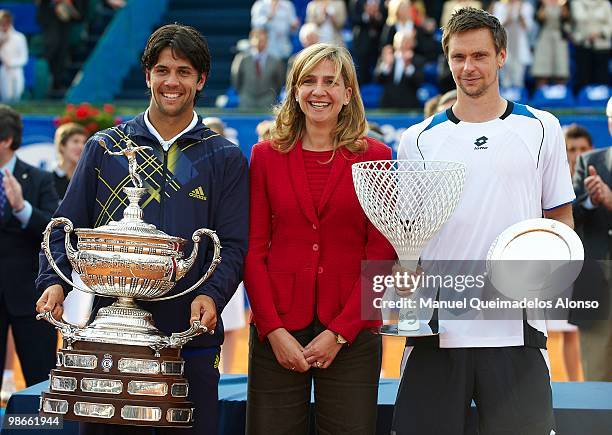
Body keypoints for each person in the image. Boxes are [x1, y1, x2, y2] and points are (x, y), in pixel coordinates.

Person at [35, 24, 249, 435]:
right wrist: (54, 282)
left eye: (184, 72)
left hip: (190, 336)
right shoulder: (106, 147)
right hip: (110, 335)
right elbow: (66, 224)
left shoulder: (224, 157)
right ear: (147, 74)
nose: (172, 82)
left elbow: (234, 244)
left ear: (201, 80)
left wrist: (210, 293)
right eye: (163, 70)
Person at [394, 8, 574, 435]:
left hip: (516, 326)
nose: (468, 67)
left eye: (479, 55)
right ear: (447, 59)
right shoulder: (418, 138)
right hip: (436, 326)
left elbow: (560, 216)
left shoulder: (542, 127)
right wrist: (405, 273)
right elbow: (407, 236)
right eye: (458, 57)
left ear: (501, 56)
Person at [244, 43, 395, 434]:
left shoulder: (377, 157)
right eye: (308, 81)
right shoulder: (264, 156)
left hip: (351, 330)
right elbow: (254, 250)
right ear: (295, 91)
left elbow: (381, 255)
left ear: (348, 94)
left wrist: (341, 331)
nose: (319, 91)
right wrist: (272, 330)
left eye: (331, 82)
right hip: (277, 329)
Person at [0, 105, 59, 395]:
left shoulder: (38, 179)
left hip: (31, 298)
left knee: (39, 384)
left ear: (7, 140)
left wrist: (22, 209)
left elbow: (55, 231)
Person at [569, 98, 612, 381]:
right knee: (596, 374)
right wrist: (589, 200)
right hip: (598, 281)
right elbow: (567, 216)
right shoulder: (590, 161)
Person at [231, 28, 285, 110]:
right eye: (257, 39)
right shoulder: (242, 59)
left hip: (268, 100)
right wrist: (243, 93)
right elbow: (236, 79)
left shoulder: (275, 61)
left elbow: (279, 81)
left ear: (267, 41)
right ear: (251, 40)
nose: (259, 42)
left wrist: (272, 94)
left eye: (262, 40)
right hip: (247, 99)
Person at [375, 30, 425, 109]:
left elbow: (419, 81)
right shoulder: (386, 57)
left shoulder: (417, 60)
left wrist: (408, 66)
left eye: (406, 41)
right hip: (388, 103)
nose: (402, 44)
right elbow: (377, 79)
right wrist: (386, 66)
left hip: (408, 104)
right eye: (400, 41)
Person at [52, 122, 88, 199]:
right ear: (61, 145)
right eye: (75, 141)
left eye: (84, 142)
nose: (81, 147)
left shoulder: (88, 178)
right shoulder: (48, 178)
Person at [0, 10, 28, 103]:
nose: (3, 25)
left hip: (17, 70)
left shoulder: (19, 37)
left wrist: (11, 63)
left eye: (5, 22)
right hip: (4, 70)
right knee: (6, 96)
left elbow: (24, 58)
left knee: (17, 95)